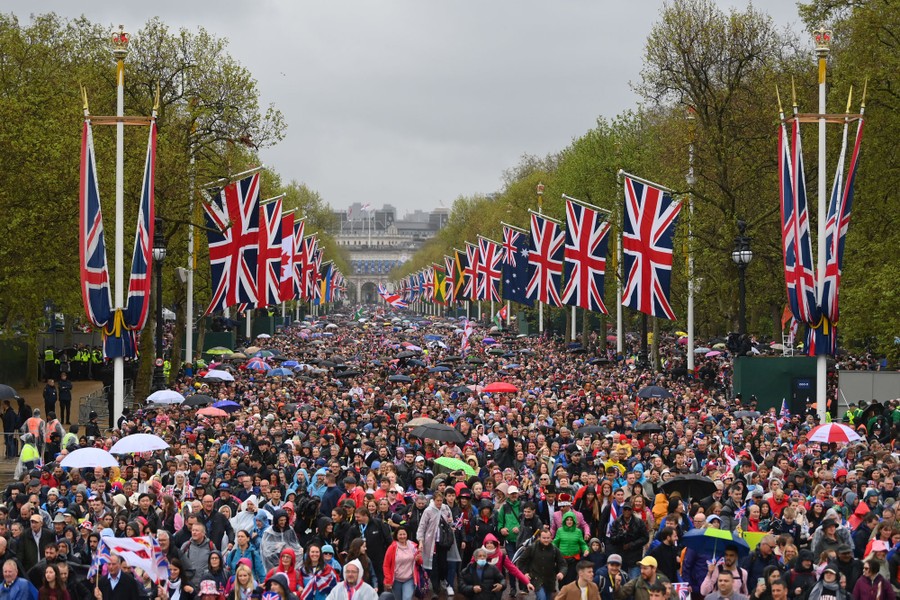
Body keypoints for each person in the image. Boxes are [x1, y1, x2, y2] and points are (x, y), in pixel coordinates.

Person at [416, 492, 456, 596]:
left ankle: (443, 580)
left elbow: (451, 523)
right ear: (433, 500)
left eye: (441, 501)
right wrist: (420, 540)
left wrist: (451, 521)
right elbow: (422, 526)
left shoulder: (445, 508)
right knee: (433, 566)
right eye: (437, 501)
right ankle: (435, 589)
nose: (439, 503)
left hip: (443, 542)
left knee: (443, 564)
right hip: (431, 543)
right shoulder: (428, 511)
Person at [517, 528, 566, 600]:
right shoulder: (532, 547)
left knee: (547, 598)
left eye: (548, 538)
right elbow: (521, 561)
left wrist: (562, 572)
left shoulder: (554, 549)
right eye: (544, 538)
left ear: (551, 538)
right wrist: (525, 573)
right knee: (542, 598)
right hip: (536, 578)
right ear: (539, 537)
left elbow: (563, 563)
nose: (546, 540)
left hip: (549, 580)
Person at [383, 529, 422, 600]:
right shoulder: (392, 548)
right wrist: (388, 579)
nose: (402, 536)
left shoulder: (412, 546)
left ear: (407, 535)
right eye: (400, 534)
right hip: (396, 579)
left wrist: (418, 559)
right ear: (396, 536)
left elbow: (420, 562)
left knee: (407, 598)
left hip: (409, 578)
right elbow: (386, 565)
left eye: (404, 534)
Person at [553, 512, 589, 586]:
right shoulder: (560, 530)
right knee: (562, 581)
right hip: (562, 560)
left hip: (574, 560)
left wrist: (586, 550)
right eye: (567, 520)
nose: (569, 522)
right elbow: (555, 543)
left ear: (574, 521)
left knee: (571, 581)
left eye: (571, 520)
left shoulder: (578, 531)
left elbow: (582, 544)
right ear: (564, 521)